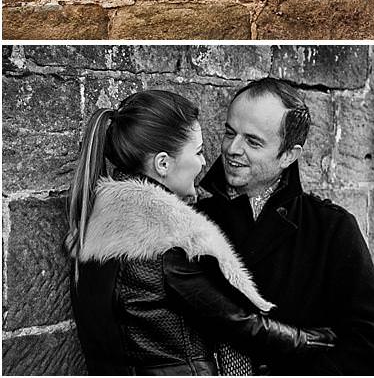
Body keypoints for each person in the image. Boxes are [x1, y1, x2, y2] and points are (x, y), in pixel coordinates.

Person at [66, 89, 338, 376]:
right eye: (197, 152)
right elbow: (237, 322)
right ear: (162, 164)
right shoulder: (164, 243)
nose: (205, 161)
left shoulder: (99, 223)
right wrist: (312, 339)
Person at [197, 77, 374, 376]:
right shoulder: (194, 220)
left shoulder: (331, 227)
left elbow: (369, 346)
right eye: (229, 132)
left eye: (252, 141)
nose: (232, 148)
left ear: (289, 155)